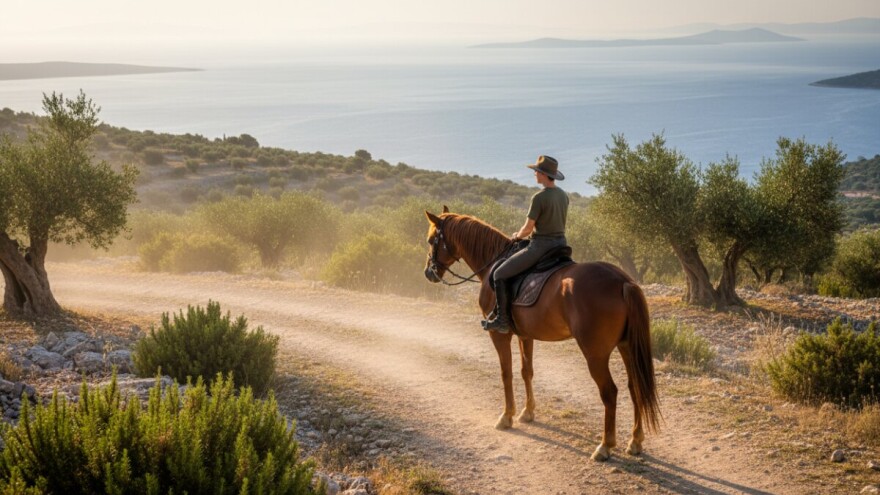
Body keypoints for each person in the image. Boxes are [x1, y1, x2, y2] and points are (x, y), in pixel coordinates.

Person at [482, 155, 569, 333]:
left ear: (544, 174)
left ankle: (502, 320)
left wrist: (516, 236)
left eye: (536, 171)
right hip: (560, 245)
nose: (535, 174)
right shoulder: (563, 196)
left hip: (540, 247)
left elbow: (528, 228)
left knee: (499, 273)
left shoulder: (539, 198)